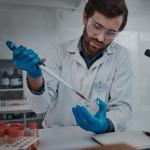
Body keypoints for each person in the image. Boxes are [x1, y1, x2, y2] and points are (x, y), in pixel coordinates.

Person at [7, 0, 133, 133]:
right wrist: (34, 76)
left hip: (95, 138)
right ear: (85, 17)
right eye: (96, 26)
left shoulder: (121, 56)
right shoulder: (59, 52)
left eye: (111, 33)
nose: (101, 38)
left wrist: (106, 124)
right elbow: (40, 107)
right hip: (57, 138)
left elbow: (122, 108)